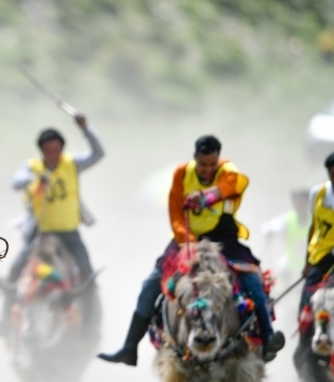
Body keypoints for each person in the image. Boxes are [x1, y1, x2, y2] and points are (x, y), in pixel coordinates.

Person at [98, 135, 285, 366]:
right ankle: (129, 348)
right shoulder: (180, 174)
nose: (207, 170)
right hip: (186, 240)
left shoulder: (228, 171)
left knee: (252, 279)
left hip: (224, 238)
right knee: (150, 285)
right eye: (202, 164)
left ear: (218, 160)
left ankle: (267, 337)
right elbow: (176, 214)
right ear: (195, 158)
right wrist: (187, 242)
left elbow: (235, 184)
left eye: (211, 165)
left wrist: (207, 196)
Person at [0, 116, 103, 336]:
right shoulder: (32, 167)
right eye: (48, 150)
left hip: (69, 232)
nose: (52, 154)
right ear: (41, 151)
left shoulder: (72, 164)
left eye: (56, 150)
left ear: (62, 150)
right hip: (39, 234)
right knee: (14, 270)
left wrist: (86, 129)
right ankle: (5, 321)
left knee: (86, 269)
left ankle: (90, 322)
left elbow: (98, 154)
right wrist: (34, 177)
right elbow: (15, 182)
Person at [296, 151, 334, 382]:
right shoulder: (318, 194)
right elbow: (313, 228)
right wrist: (307, 261)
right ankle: (305, 362)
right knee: (306, 300)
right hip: (323, 258)